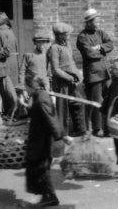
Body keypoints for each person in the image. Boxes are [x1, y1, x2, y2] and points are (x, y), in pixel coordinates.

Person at [24, 75, 71, 207]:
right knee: (37, 167)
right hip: (38, 140)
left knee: (41, 168)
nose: (25, 90)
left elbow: (51, 118)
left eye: (26, 87)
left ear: (31, 86)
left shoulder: (42, 97)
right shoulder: (37, 96)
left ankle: (50, 197)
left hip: (42, 141)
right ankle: (46, 196)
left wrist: (62, 136)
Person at [77, 8, 113, 136]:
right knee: (96, 102)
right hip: (93, 75)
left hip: (106, 72)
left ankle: (108, 126)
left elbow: (110, 44)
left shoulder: (101, 32)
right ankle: (97, 128)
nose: (98, 21)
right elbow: (89, 53)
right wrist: (101, 51)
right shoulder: (82, 37)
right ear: (89, 22)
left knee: (109, 99)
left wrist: (100, 47)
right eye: (96, 20)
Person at [49, 22, 86, 135]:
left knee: (78, 104)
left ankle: (80, 130)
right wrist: (69, 78)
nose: (68, 36)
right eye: (66, 34)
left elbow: (72, 62)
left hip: (73, 80)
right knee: (62, 109)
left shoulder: (68, 44)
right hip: (62, 83)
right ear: (59, 35)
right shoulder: (54, 48)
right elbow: (55, 69)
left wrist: (78, 75)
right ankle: (62, 134)